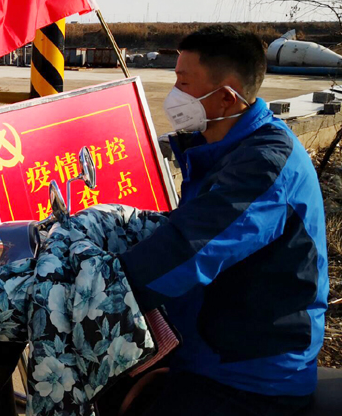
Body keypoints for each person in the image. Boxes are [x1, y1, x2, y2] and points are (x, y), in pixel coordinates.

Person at [114, 25, 328, 415]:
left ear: (226, 98)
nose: (174, 94)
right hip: (209, 348)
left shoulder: (263, 164)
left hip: (252, 376)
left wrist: (100, 283)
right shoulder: (220, 146)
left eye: (183, 83)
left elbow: (189, 249)